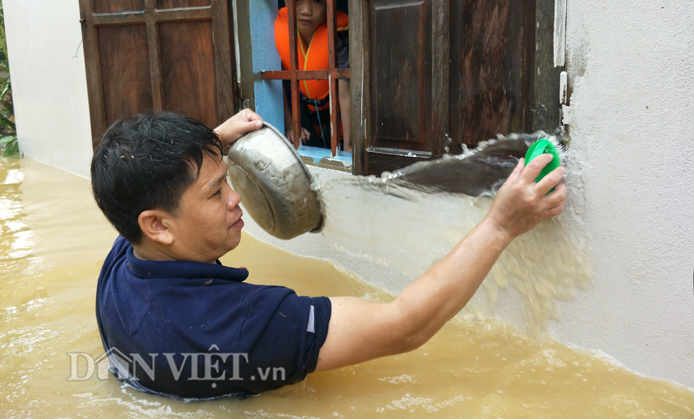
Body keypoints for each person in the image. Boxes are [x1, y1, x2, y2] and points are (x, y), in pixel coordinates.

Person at [91, 109, 566, 400]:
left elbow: (150, 193)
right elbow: (404, 325)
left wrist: (212, 144)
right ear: (158, 225)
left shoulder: (124, 265)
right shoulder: (234, 329)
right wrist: (501, 225)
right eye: (216, 193)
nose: (236, 199)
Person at [274, 0, 352, 152]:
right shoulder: (279, 32)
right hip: (310, 117)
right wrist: (292, 124)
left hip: (343, 121)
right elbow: (278, 82)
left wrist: (351, 145)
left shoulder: (338, 39)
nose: (306, 10)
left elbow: (345, 95)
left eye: (316, 1)